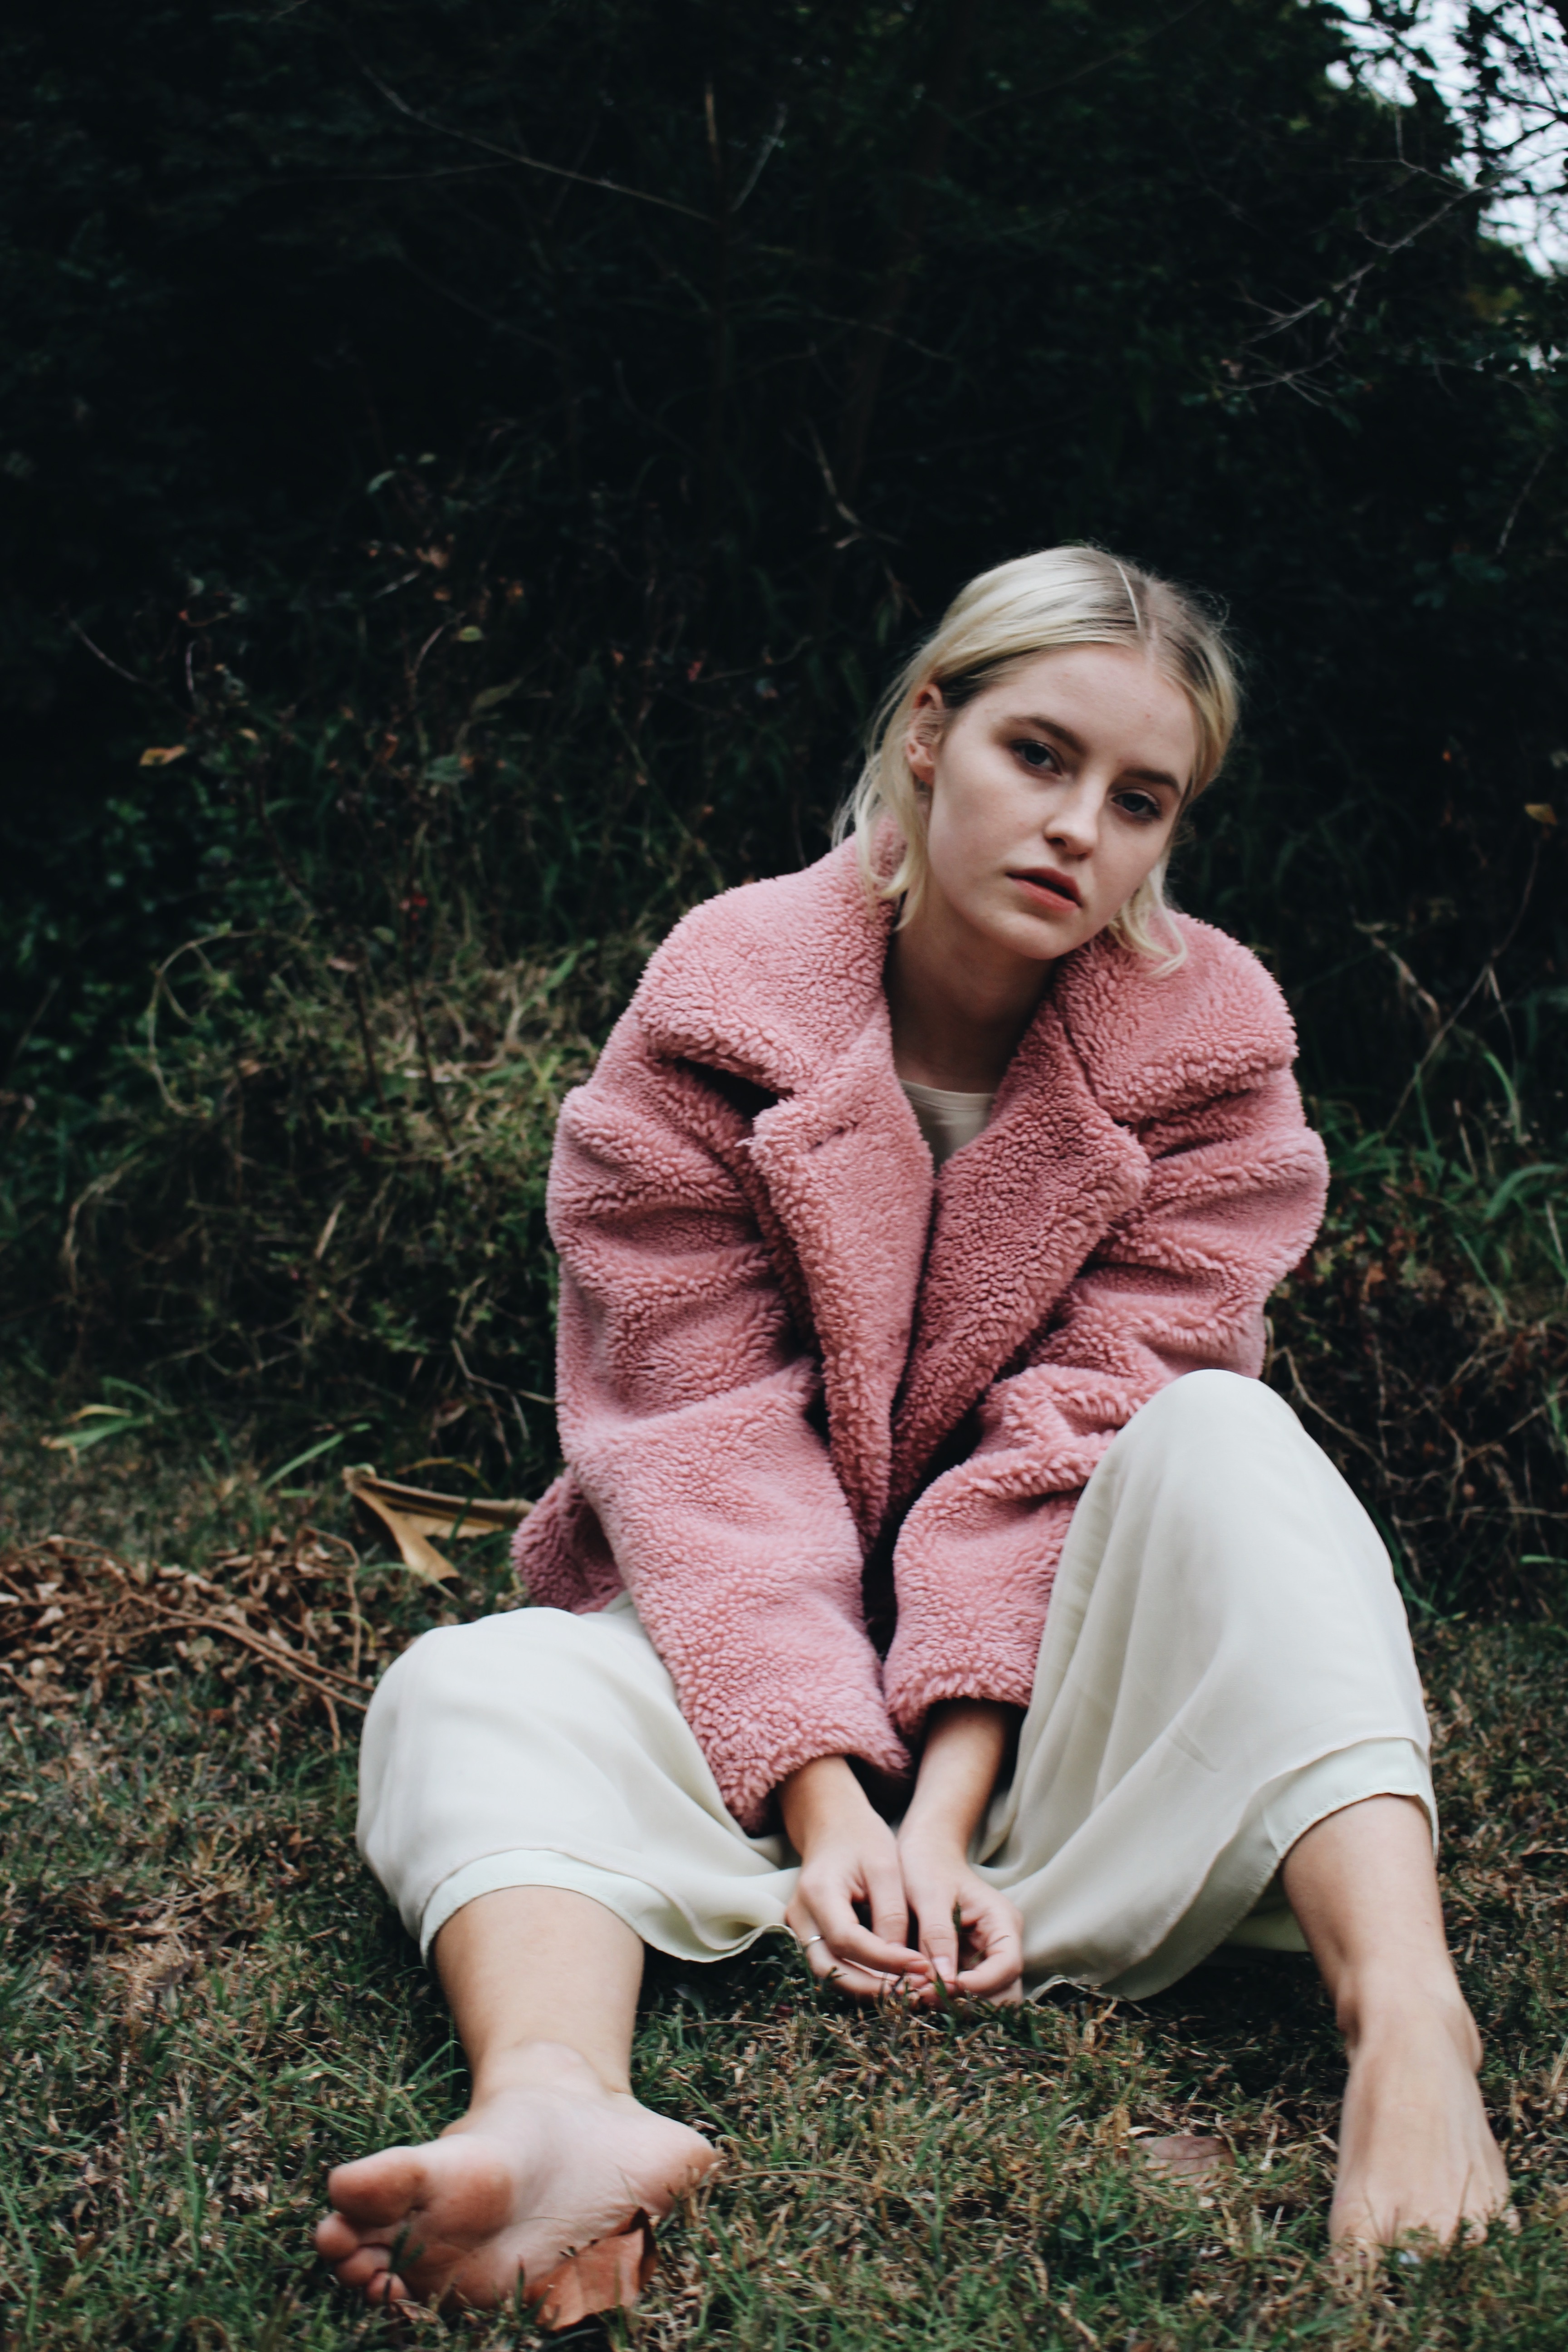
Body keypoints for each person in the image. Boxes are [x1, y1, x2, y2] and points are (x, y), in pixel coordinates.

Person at [316, 548, 1510, 2320]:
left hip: (1054, 1715)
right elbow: (697, 1435)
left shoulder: (1210, 1056)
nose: (1079, 828)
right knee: (468, 1686)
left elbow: (1078, 1436)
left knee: (1225, 1441)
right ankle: (558, 2107)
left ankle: (1408, 2021)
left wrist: (940, 1818)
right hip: (740, 1691)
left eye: (1140, 800)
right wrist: (824, 1800)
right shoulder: (726, 1002)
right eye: (1040, 755)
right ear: (932, 733)